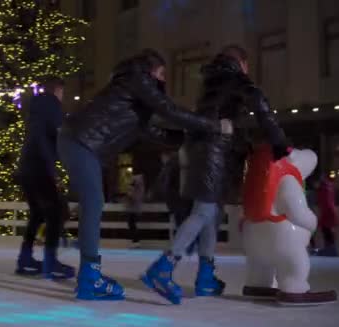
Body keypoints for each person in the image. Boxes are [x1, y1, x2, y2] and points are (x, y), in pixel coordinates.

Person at [57, 48, 233, 300]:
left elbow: (152, 133)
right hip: (82, 142)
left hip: (81, 142)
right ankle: (89, 278)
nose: (163, 80)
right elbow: (169, 110)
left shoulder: (133, 97)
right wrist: (214, 126)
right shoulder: (138, 79)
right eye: (162, 73)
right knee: (93, 204)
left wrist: (190, 137)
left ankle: (89, 275)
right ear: (152, 69)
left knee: (92, 205)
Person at [141, 45, 290, 304]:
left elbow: (226, 118)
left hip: (207, 151)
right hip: (215, 154)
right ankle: (163, 268)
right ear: (242, 63)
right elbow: (259, 102)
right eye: (247, 66)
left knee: (211, 214)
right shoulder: (235, 77)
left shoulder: (211, 82)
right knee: (204, 212)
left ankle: (205, 277)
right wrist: (278, 140)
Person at [16, 76, 74, 279]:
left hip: (26, 166)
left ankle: (25, 257)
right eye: (62, 92)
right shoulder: (52, 106)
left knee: (38, 213)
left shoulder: (34, 108)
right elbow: (59, 136)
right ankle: (50, 262)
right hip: (41, 166)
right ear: (57, 90)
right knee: (56, 212)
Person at [316, 175, 339, 256]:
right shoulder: (328, 187)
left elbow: (327, 204)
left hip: (327, 217)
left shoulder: (324, 189)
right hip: (329, 217)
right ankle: (332, 252)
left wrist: (322, 219)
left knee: (328, 235)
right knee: (329, 236)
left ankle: (331, 252)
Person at [126, 174, 145, 249]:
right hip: (133, 209)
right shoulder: (139, 188)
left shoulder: (137, 189)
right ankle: (135, 242)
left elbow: (132, 198)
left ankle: (136, 242)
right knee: (132, 226)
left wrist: (129, 196)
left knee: (132, 226)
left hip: (133, 210)